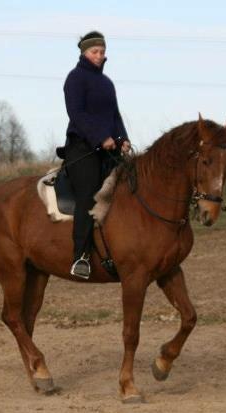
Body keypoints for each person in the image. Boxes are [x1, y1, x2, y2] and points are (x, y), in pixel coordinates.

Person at [62, 30, 131, 279]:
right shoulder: (75, 79)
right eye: (95, 52)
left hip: (109, 149)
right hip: (82, 148)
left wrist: (122, 139)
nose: (99, 56)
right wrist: (101, 137)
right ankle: (80, 257)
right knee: (88, 194)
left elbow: (115, 116)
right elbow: (77, 114)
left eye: (102, 52)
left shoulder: (107, 83)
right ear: (84, 53)